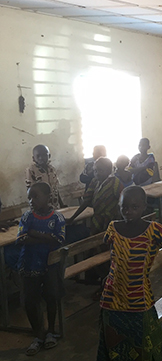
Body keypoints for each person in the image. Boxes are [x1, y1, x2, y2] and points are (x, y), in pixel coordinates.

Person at [97, 186, 162, 361]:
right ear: (119, 206)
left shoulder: (154, 230)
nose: (128, 211)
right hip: (111, 298)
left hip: (139, 300)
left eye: (134, 207)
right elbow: (112, 254)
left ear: (144, 206)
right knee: (114, 344)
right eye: (124, 207)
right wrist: (106, 276)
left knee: (146, 346)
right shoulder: (113, 228)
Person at [16, 182, 66, 355]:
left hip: (50, 264)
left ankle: (51, 331)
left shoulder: (57, 218)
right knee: (30, 301)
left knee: (51, 297)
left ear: (48, 197)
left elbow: (59, 240)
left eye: (35, 196)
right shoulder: (27, 217)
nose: (31, 201)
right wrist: (47, 238)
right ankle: (38, 334)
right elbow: (21, 239)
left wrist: (34, 234)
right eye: (29, 197)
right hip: (29, 263)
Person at [69, 157, 124, 235]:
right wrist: (72, 218)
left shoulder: (115, 183)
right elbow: (86, 201)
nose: (97, 173)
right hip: (97, 220)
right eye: (95, 171)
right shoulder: (95, 181)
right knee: (95, 240)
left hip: (112, 221)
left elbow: (123, 203)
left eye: (101, 170)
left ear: (108, 171)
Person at [25, 144, 65, 210]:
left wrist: (61, 204)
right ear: (33, 158)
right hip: (41, 209)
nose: (41, 158)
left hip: (55, 207)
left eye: (44, 155)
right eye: (38, 156)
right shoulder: (31, 170)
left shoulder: (52, 169)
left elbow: (55, 189)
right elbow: (31, 193)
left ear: (49, 156)